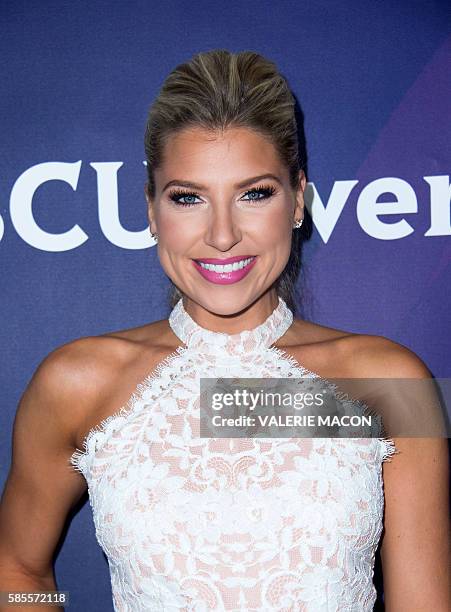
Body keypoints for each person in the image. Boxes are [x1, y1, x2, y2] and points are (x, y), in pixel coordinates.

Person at [0, 49, 449, 612]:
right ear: (150, 209)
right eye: (188, 198)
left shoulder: (388, 382)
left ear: (298, 201)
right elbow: (16, 569)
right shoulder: (76, 382)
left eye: (254, 193)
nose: (221, 235)